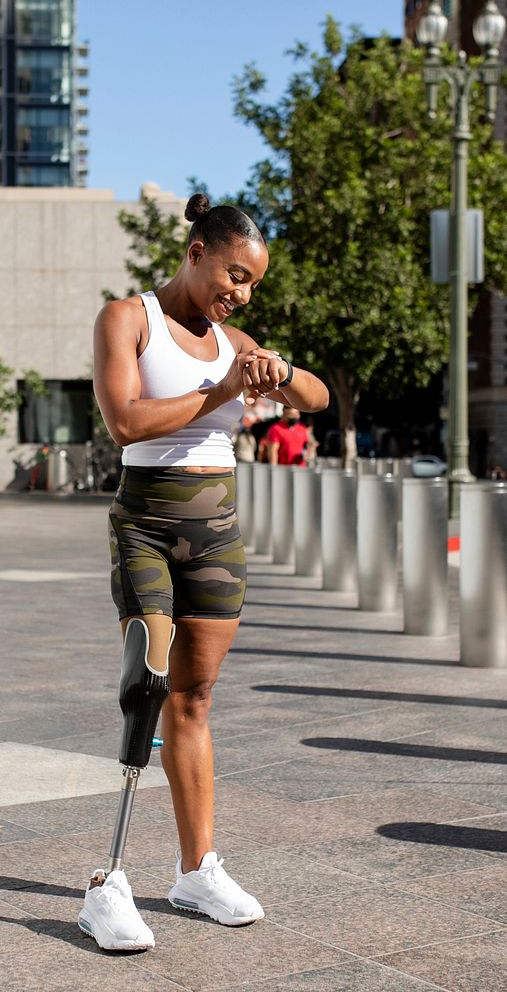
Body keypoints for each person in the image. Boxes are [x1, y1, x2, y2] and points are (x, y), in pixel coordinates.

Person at [82, 192, 328, 951]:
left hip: (216, 537)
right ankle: (109, 884)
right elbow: (125, 420)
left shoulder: (235, 338)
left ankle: (195, 872)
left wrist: (277, 369)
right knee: (145, 687)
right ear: (195, 254)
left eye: (252, 283)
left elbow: (314, 398)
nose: (240, 293)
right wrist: (220, 391)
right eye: (233, 274)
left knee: (194, 699)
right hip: (147, 528)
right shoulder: (127, 320)